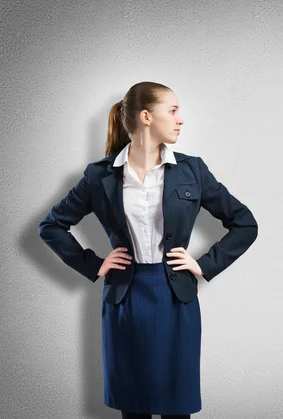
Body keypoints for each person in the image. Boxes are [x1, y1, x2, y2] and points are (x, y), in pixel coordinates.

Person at [38, 81, 259, 418]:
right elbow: (51, 225)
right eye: (172, 110)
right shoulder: (100, 176)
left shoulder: (192, 170)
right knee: (134, 407)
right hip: (125, 299)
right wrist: (92, 264)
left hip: (176, 298)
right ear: (145, 117)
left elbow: (244, 222)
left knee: (176, 405)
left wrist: (204, 264)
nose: (180, 119)